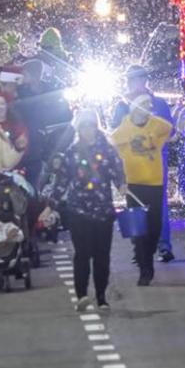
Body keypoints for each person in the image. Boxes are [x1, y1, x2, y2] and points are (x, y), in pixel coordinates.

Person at [50, 110, 126, 312]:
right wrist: (51, 205)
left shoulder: (108, 151)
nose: (87, 130)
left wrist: (121, 184)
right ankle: (82, 295)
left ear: (96, 126)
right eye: (83, 126)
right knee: (82, 254)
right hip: (79, 211)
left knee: (102, 255)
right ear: (79, 129)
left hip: (103, 211)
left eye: (90, 125)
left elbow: (117, 171)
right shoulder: (72, 153)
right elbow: (62, 181)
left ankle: (101, 297)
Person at [111, 64, 175, 263]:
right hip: (132, 164)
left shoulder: (158, 104)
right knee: (135, 205)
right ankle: (140, 249)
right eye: (131, 80)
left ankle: (163, 245)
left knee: (159, 204)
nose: (135, 84)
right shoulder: (122, 106)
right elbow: (115, 134)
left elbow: (170, 132)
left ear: (145, 81)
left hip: (155, 161)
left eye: (138, 79)